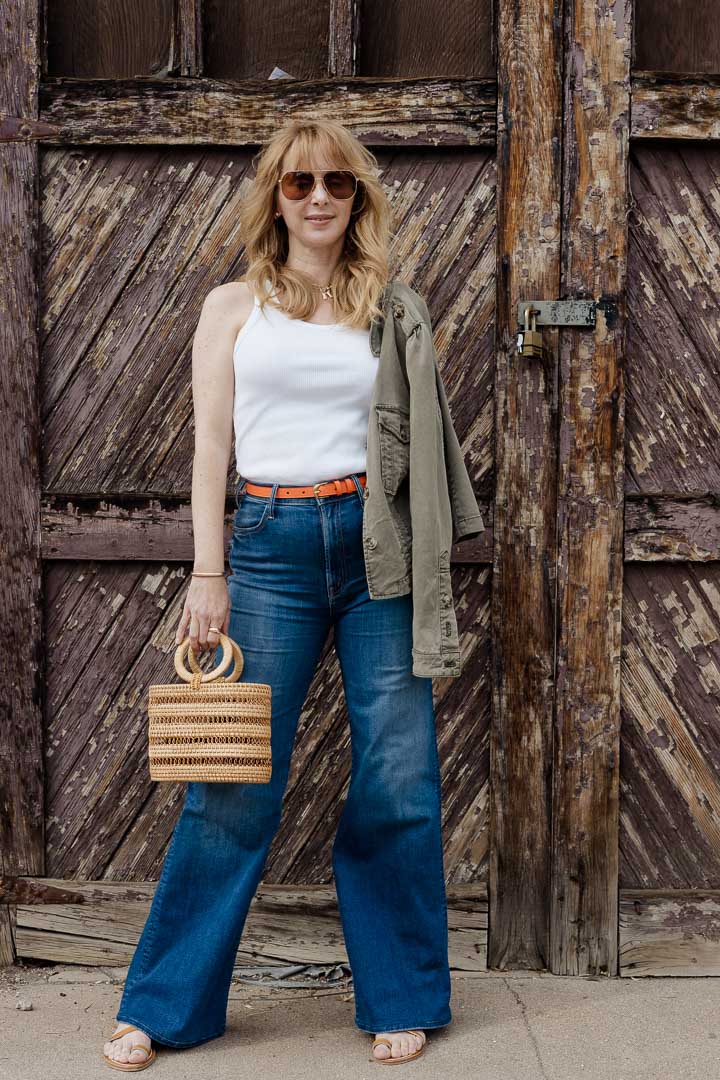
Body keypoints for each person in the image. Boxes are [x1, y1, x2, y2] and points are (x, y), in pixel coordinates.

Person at [102, 117, 452, 1070]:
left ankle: (402, 996)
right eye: (300, 183)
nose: (320, 199)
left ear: (359, 198)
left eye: (338, 183)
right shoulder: (231, 307)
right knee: (231, 788)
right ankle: (165, 1008)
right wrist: (206, 572)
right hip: (266, 547)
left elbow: (411, 448)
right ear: (275, 196)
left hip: (375, 548)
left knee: (398, 777)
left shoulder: (391, 305)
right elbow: (210, 449)